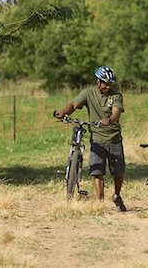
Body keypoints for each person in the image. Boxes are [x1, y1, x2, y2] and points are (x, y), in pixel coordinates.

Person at [54, 66, 127, 212]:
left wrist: (110, 120)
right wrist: (63, 112)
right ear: (98, 81)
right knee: (97, 171)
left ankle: (117, 195)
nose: (108, 86)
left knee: (118, 172)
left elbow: (116, 112)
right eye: (105, 83)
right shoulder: (88, 93)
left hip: (114, 138)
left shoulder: (116, 96)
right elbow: (74, 104)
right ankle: (100, 203)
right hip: (97, 139)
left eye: (110, 84)